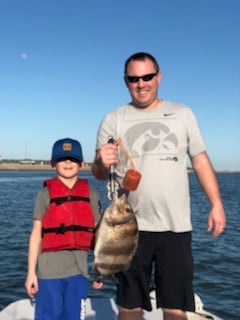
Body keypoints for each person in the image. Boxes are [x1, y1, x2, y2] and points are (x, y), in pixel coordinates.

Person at [91, 52, 226, 320]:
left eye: (147, 77)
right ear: (125, 81)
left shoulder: (182, 113)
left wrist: (216, 203)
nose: (141, 84)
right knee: (129, 305)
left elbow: (199, 160)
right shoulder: (113, 119)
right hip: (128, 229)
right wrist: (100, 161)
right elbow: (99, 175)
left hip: (175, 227)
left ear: (159, 77)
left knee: (176, 307)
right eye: (134, 78)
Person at [25, 137, 101, 320]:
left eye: (73, 159)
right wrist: (30, 273)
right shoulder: (44, 194)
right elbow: (36, 235)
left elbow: (101, 236)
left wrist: (100, 269)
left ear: (82, 164)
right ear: (53, 164)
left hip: (79, 273)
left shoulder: (91, 194)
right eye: (62, 159)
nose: (68, 163)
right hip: (48, 273)